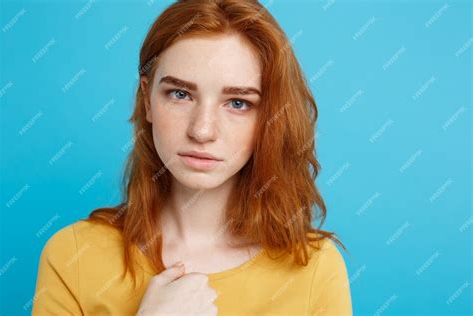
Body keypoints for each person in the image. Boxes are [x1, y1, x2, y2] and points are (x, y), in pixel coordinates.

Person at [32, 0, 353, 315]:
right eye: (180, 94)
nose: (202, 131)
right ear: (147, 100)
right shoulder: (73, 256)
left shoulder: (314, 268)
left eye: (238, 103)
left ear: (269, 117)